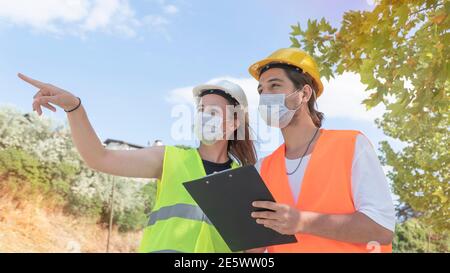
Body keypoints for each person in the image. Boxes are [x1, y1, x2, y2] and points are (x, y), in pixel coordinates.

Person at [17, 74, 257, 253]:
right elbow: (99, 157)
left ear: (234, 122)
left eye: (214, 112)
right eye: (202, 109)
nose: (204, 116)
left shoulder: (245, 183)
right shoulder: (170, 158)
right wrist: (74, 108)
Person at [247, 48, 395, 253]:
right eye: (261, 90)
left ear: (304, 93)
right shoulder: (263, 167)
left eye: (275, 86)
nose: (265, 97)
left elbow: (381, 230)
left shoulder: (352, 145)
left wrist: (302, 222)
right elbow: (257, 248)